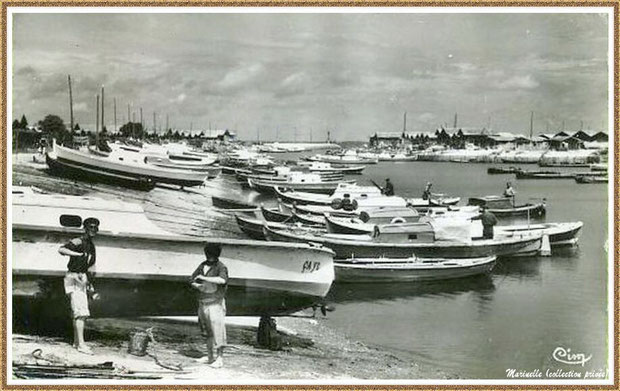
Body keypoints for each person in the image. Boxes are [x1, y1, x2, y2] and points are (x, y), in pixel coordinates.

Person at [58, 217, 100, 355]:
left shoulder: (91, 246)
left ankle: (77, 343)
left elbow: (89, 267)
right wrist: (77, 254)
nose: (93, 229)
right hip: (74, 277)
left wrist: (90, 285)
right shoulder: (79, 241)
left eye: (95, 227)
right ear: (85, 228)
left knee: (79, 312)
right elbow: (62, 249)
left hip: (82, 278)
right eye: (91, 227)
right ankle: (81, 345)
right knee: (81, 313)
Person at [191, 243, 229, 368]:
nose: (209, 257)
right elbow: (192, 279)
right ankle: (210, 356)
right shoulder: (202, 265)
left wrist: (205, 278)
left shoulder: (221, 267)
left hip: (215, 303)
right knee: (207, 331)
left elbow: (222, 280)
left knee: (218, 330)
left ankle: (220, 359)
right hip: (203, 302)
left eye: (211, 254)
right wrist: (197, 285)